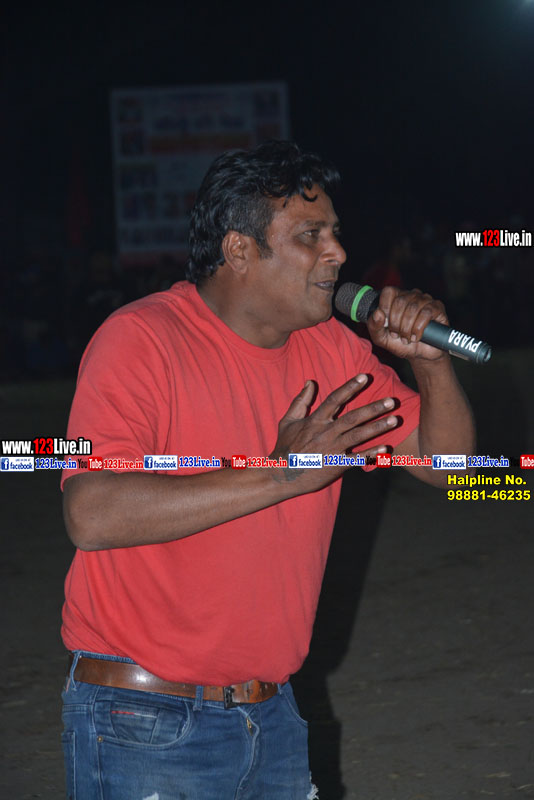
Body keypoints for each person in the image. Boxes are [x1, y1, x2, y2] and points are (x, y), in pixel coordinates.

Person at [60, 140, 475, 799]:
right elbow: (92, 512)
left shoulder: (332, 349)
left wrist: (430, 362)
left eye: (334, 233)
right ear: (239, 250)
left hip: (273, 715)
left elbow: (452, 470)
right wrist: (282, 475)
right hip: (145, 719)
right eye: (311, 236)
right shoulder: (140, 339)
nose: (337, 253)